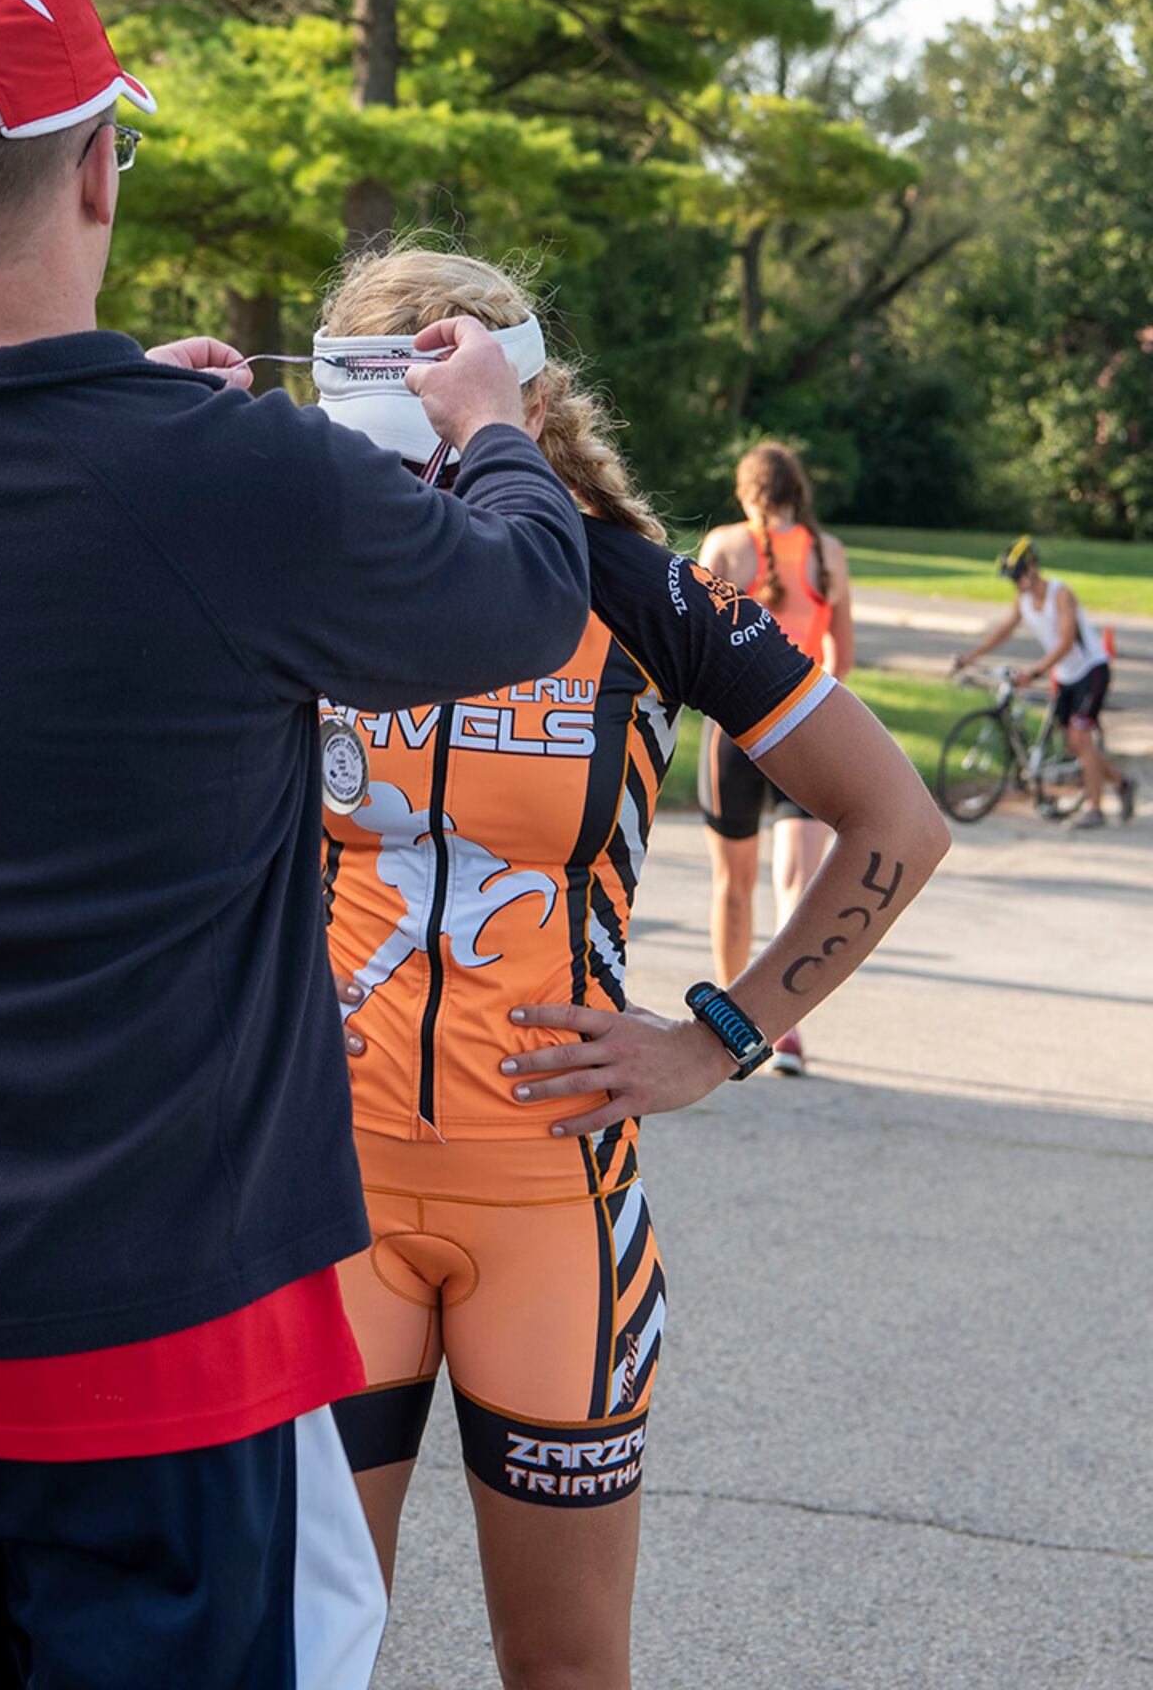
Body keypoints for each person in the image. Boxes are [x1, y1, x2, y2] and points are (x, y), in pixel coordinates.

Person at [0, 0, 596, 1690]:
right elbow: (517, 605)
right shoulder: (229, 480)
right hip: (146, 1344)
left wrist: (156, 424)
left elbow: (13, 550)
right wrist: (489, 430)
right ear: (100, 169)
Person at [314, 248, 948, 1690]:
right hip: (320, 1199)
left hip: (552, 1210)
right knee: (293, 1652)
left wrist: (720, 1035)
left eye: (447, 410)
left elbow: (895, 821)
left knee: (565, 1669)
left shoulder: (639, 592)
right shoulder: (315, 578)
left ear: (520, 403)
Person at [696, 444, 855, 1075]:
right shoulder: (829, 553)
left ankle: (731, 1030)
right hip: (806, 731)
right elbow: (841, 656)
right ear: (799, 490)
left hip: (736, 735)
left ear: (746, 491)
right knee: (799, 884)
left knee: (733, 886)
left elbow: (696, 648)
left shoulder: (726, 547)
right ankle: (785, 1027)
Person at [954, 536, 1134, 830]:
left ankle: (1095, 809)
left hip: (1092, 671)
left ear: (1034, 568)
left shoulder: (1060, 595)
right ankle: (1123, 784)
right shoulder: (1023, 601)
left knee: (1080, 739)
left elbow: (1065, 642)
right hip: (1065, 676)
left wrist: (1034, 673)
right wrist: (971, 656)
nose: (1016, 583)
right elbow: (1003, 632)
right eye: (1012, 579)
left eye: (1018, 575)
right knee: (1075, 746)